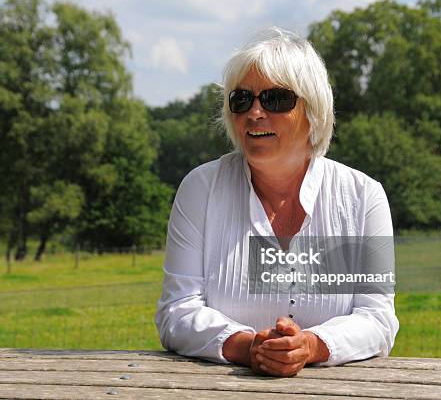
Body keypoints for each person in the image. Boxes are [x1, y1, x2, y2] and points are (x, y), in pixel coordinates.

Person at [154, 26, 399, 377]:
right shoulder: (201, 189)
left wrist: (311, 346)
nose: (254, 112)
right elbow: (176, 311)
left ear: (313, 110)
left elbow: (378, 319)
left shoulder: (363, 197)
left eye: (275, 99)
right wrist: (248, 346)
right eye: (241, 99)